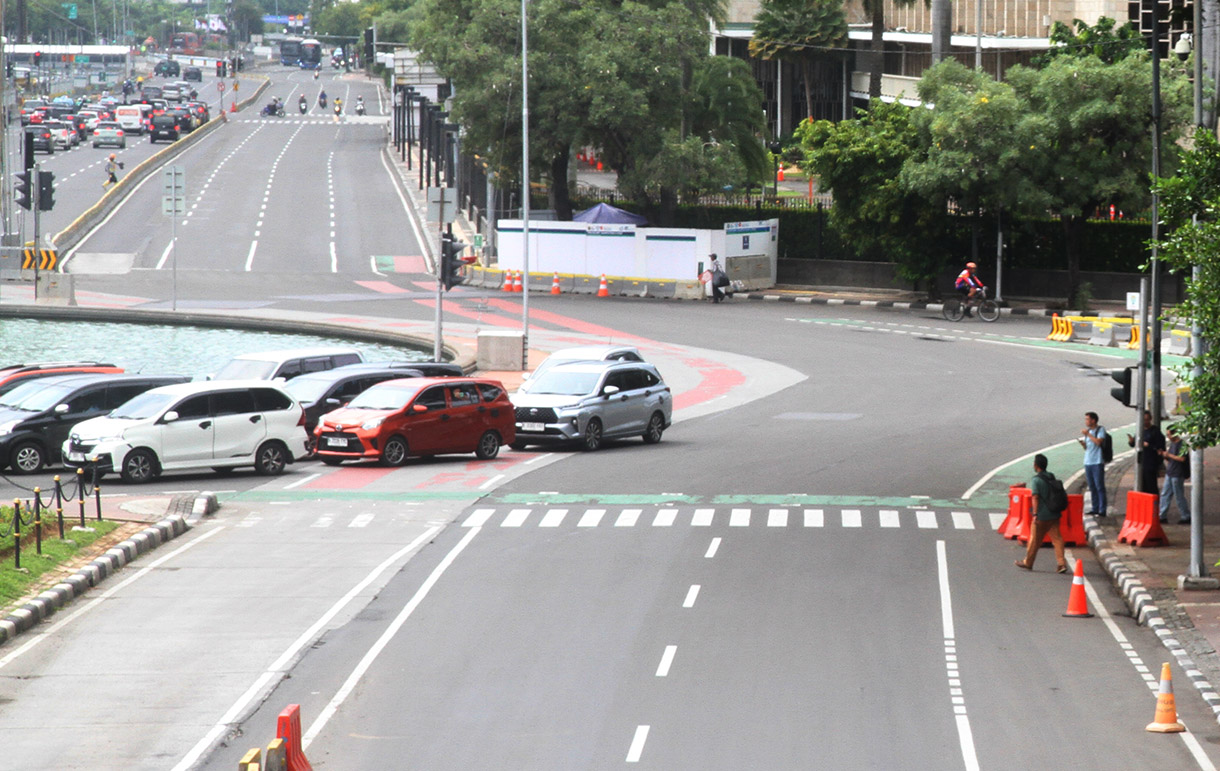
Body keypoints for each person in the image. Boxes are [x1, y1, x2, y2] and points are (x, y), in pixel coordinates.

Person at [1015, 454, 1068, 574]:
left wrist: (1035, 514)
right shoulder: (1051, 476)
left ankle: (1028, 562)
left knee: (1034, 539)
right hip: (1054, 514)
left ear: (1036, 465)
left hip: (1042, 516)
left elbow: (1035, 497)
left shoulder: (1036, 480)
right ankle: (1061, 563)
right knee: (1057, 539)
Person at [1158, 425, 1191, 524]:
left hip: (1177, 474)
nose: (1168, 436)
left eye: (1169, 434)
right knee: (1165, 494)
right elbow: (1172, 458)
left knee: (1179, 495)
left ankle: (1185, 516)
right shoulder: (1172, 444)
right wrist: (1165, 456)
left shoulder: (1182, 444)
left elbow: (1182, 459)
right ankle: (1162, 515)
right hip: (1170, 472)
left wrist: (1168, 455)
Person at [1128, 410, 1165, 497]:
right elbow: (1134, 443)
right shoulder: (1140, 430)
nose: (1145, 422)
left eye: (1147, 420)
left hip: (1151, 462)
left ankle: (1154, 504)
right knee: (1141, 485)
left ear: (1150, 419)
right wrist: (1131, 441)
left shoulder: (1155, 431)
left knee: (1151, 485)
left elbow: (1160, 447)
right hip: (1141, 461)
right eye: (1143, 420)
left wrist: (1148, 445)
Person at [1078, 412, 1108, 516]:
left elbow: (1099, 442)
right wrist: (1083, 444)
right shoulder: (1089, 432)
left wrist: (1088, 435)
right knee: (1092, 486)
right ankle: (1095, 508)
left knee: (1099, 486)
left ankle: (1102, 509)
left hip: (1097, 462)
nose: (1086, 421)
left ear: (1093, 420)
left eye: (1087, 419)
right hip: (1088, 461)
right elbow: (1088, 447)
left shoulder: (1100, 430)